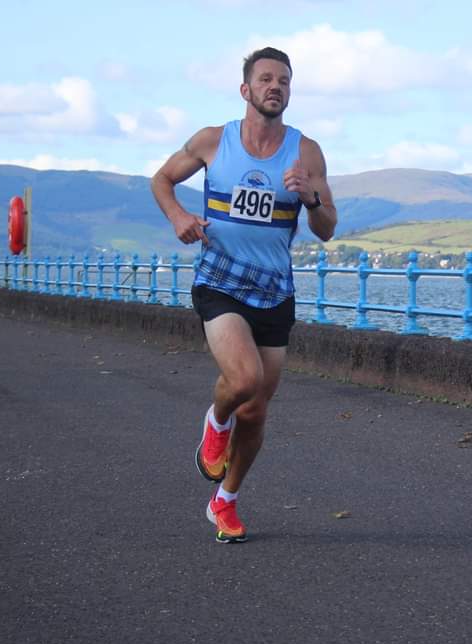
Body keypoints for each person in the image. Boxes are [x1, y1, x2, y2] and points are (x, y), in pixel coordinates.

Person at [151, 47, 336, 543]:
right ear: (246, 90)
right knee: (244, 379)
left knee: (256, 411)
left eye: (285, 81)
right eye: (267, 79)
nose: (276, 87)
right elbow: (163, 179)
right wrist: (179, 218)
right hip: (220, 280)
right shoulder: (214, 141)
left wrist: (310, 197)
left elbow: (327, 228)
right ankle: (215, 422)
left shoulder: (306, 152)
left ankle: (225, 501)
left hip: (275, 291)